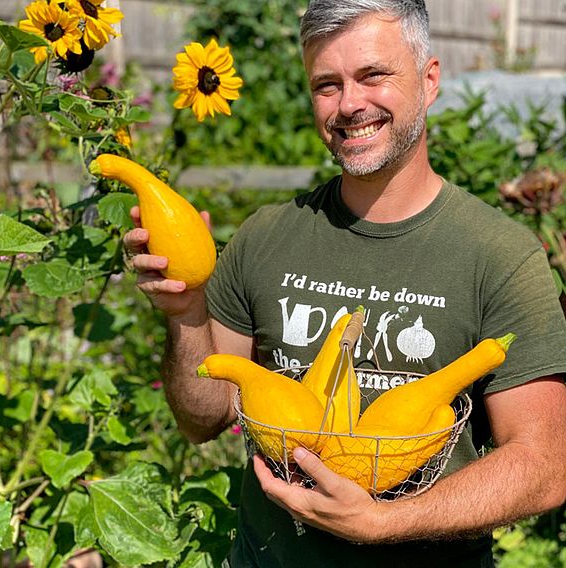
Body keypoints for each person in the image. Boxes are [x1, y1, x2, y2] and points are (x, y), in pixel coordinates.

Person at [124, 0, 566, 566]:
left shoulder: (499, 256)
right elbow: (202, 418)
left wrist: (382, 522)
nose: (350, 104)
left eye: (373, 75)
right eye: (326, 85)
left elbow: (545, 466)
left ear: (429, 81)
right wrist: (185, 311)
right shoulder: (264, 238)